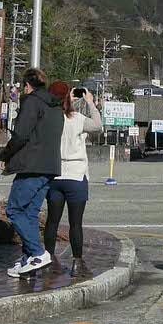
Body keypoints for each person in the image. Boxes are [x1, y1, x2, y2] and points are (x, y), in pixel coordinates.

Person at [0, 67, 64, 277]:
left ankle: (37, 253)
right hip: (50, 167)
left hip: (31, 167)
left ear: (28, 85)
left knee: (14, 210)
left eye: (23, 86)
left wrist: (5, 155)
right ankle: (29, 259)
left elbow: (21, 135)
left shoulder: (32, 102)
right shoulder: (56, 106)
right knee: (30, 214)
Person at [42, 82, 103, 275]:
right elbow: (98, 126)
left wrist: (67, 99)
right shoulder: (77, 118)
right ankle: (77, 263)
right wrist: (90, 102)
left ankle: (47, 259)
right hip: (76, 176)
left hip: (55, 174)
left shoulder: (49, 118)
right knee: (75, 223)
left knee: (52, 221)